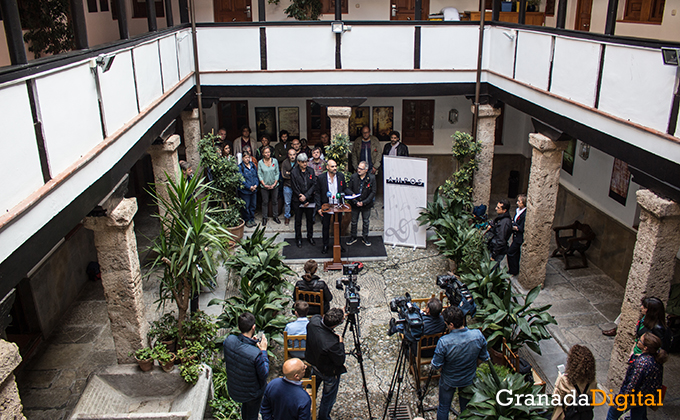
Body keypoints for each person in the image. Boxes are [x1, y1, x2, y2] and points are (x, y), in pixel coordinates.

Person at [431, 306, 490, 419]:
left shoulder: (444, 342)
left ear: (451, 325)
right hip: (469, 378)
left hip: (449, 379)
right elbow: (484, 358)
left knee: (444, 407)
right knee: (466, 409)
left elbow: (436, 366)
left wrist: (445, 370)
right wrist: (473, 365)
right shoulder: (477, 335)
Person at [606, 333, 667, 420]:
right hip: (643, 399)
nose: (638, 340)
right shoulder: (657, 361)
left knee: (612, 415)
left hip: (632, 398)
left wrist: (620, 400)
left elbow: (632, 384)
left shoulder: (640, 363)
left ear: (645, 348)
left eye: (640, 340)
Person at [223, 312, 269, 420]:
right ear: (253, 327)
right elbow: (264, 373)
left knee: (246, 411)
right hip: (252, 393)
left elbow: (240, 350)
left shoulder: (229, 341)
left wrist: (250, 343)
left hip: (236, 389)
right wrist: (263, 351)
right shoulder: (256, 354)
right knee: (252, 415)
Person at [305, 308, 346, 420]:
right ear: (336, 325)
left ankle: (305, 407)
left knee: (312, 386)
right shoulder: (332, 343)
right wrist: (341, 343)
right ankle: (323, 417)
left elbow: (318, 316)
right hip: (327, 372)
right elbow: (340, 360)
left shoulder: (314, 321)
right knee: (328, 396)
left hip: (314, 362)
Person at [315, 159, 351, 254]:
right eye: (332, 166)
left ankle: (338, 244)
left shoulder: (340, 176)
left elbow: (345, 188)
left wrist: (351, 195)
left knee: (338, 226)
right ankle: (325, 245)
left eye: (335, 166)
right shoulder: (321, 178)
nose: (335, 168)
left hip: (338, 206)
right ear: (327, 167)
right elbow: (317, 193)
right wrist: (319, 207)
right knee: (326, 227)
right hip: (326, 206)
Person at [551, 344, 596, 420]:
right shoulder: (592, 381)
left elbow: (555, 400)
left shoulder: (565, 380)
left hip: (566, 416)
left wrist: (559, 378)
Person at [346, 161, 377, 247]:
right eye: (358, 168)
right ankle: (353, 237)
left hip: (366, 204)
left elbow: (373, 192)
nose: (358, 170)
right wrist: (354, 199)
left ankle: (365, 237)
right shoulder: (353, 177)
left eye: (361, 169)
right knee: (354, 221)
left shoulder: (371, 178)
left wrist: (364, 202)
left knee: (366, 221)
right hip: (355, 203)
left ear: (366, 170)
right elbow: (348, 189)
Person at [291, 153, 317, 247]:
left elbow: (314, 184)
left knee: (310, 220)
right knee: (298, 221)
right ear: (298, 162)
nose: (305, 164)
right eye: (302, 162)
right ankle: (298, 239)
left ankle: (310, 237)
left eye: (306, 161)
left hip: (309, 199)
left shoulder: (311, 171)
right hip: (298, 200)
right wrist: (300, 196)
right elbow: (294, 186)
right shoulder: (294, 172)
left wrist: (306, 196)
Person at [258, 146, 280, 226]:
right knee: (265, 202)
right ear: (263, 154)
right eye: (266, 152)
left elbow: (277, 172)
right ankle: (264, 218)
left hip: (275, 185)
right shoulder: (260, 162)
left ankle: (275, 216)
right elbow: (259, 174)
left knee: (275, 201)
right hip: (264, 186)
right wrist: (263, 184)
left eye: (269, 152)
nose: (268, 154)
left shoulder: (275, 161)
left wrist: (275, 183)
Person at [507, 194, 526, 276]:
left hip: (519, 237)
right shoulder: (518, 210)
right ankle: (515, 269)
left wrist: (513, 226)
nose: (517, 203)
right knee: (516, 253)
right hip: (515, 236)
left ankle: (513, 271)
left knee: (510, 252)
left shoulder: (524, 214)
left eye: (519, 201)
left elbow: (521, 228)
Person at [238, 152, 259, 228]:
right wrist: (249, 187)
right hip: (245, 191)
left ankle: (252, 218)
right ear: (242, 158)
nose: (247, 159)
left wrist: (256, 185)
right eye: (245, 157)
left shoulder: (253, 165)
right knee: (246, 206)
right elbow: (241, 180)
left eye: (248, 157)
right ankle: (247, 219)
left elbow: (256, 176)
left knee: (253, 205)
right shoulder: (240, 167)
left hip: (254, 190)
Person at [281, 148, 297, 225]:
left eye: (294, 154)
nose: (292, 156)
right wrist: (293, 175)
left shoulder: (298, 162)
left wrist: (289, 173)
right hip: (287, 185)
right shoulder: (285, 162)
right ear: (288, 155)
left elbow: (299, 175)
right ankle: (287, 217)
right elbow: (284, 175)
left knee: (296, 202)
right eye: (290, 154)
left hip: (297, 186)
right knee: (287, 202)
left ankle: (297, 215)